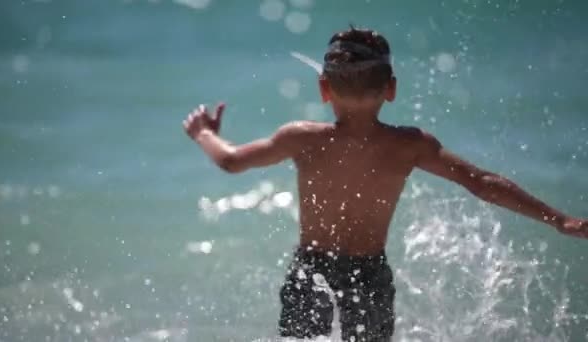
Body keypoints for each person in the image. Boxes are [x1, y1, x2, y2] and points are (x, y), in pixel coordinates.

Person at [183, 27, 587, 341]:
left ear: (324, 89)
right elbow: (483, 183)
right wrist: (559, 220)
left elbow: (232, 161)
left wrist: (204, 133)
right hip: (369, 274)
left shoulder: (301, 138)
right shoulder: (408, 145)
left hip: (311, 271)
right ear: (391, 88)